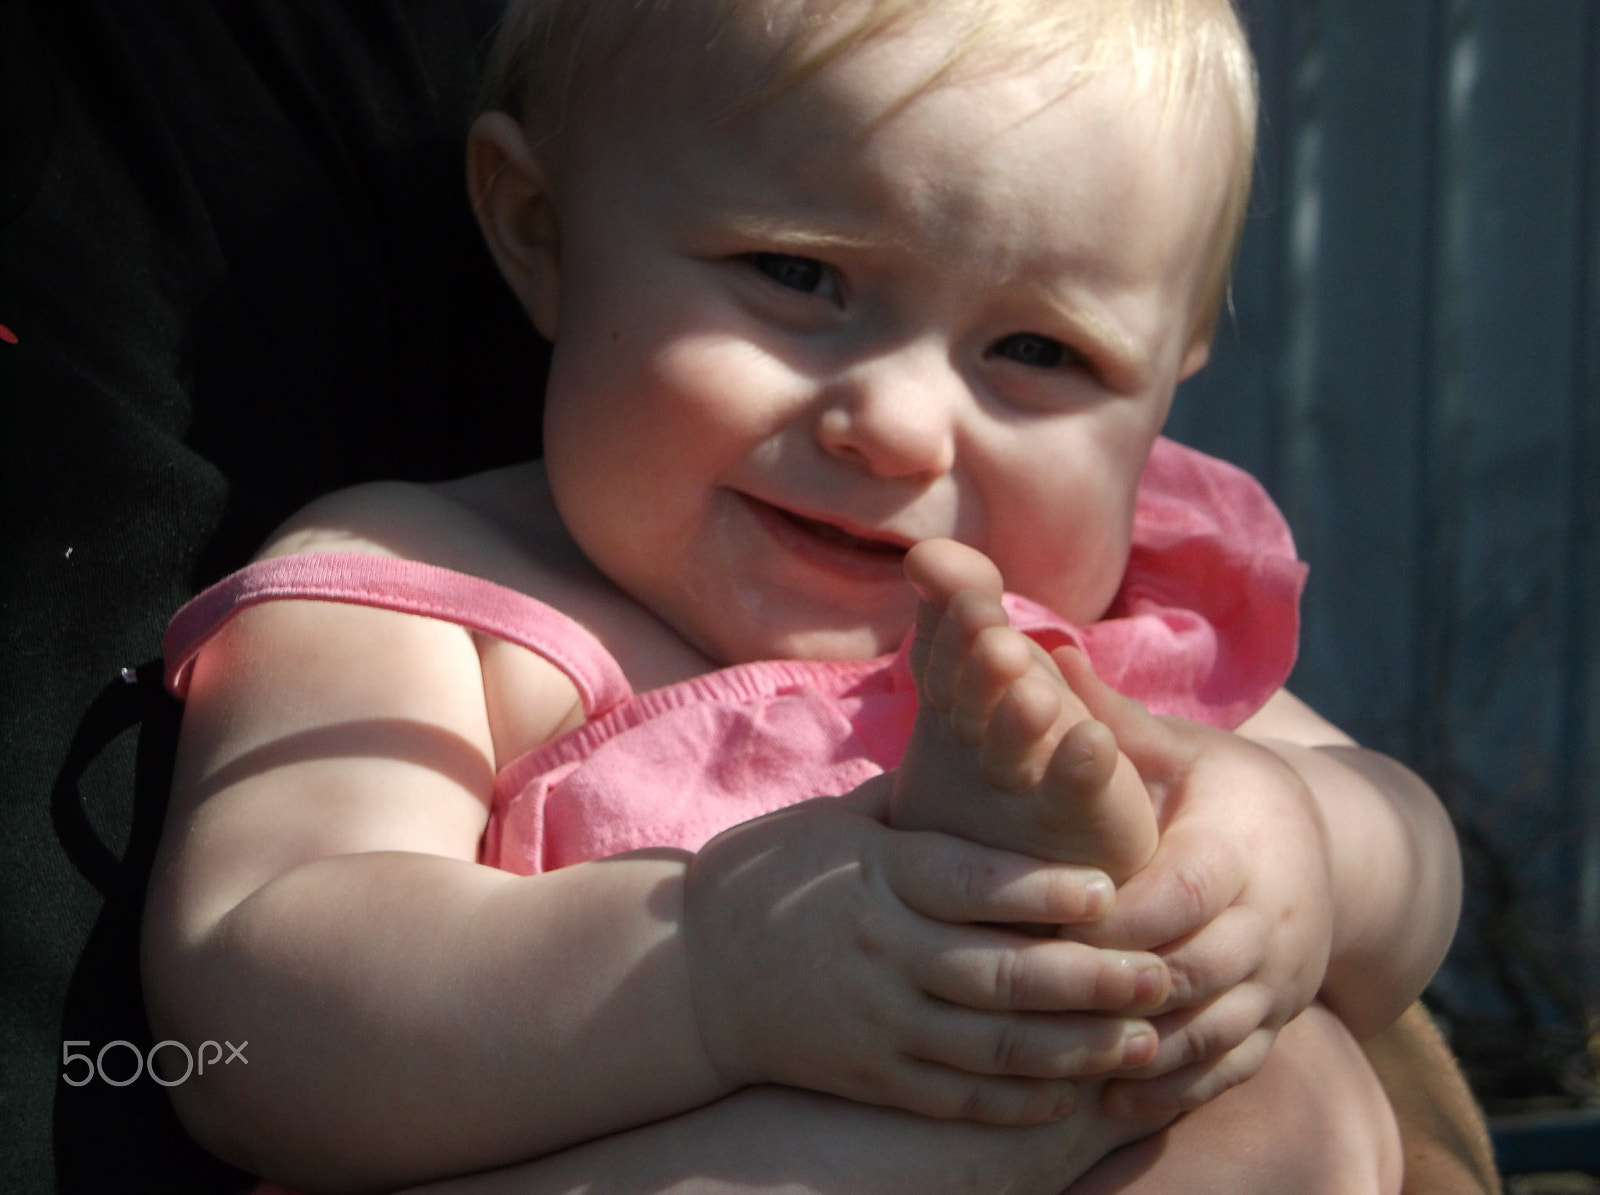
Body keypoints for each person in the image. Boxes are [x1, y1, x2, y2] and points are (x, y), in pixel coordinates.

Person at [140, 0, 1466, 1191]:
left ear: (1169, 383)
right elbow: (244, 1023)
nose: (896, 424)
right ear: (541, 229)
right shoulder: (427, 595)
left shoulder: (1107, 632)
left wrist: (1290, 853)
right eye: (799, 275)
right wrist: (707, 971)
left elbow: (1409, 853)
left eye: (1036, 351)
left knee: (1305, 1102)